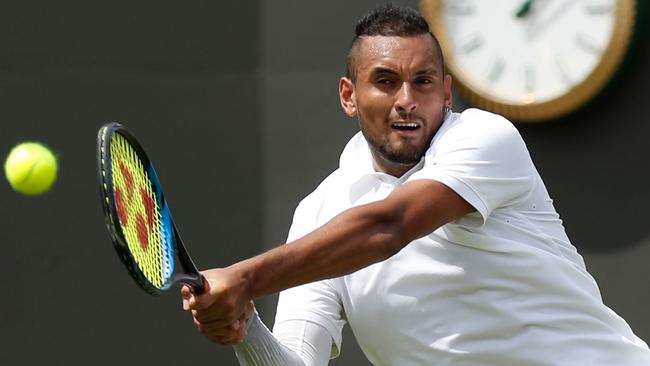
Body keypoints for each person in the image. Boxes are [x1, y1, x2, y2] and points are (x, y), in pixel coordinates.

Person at [182, 4, 650, 365]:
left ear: (446, 94)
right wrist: (245, 327)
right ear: (349, 96)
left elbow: (390, 225)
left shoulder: (485, 138)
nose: (407, 101)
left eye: (422, 82)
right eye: (385, 82)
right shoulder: (318, 214)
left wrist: (244, 279)